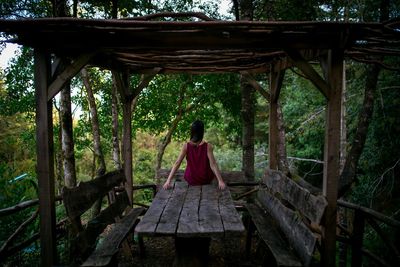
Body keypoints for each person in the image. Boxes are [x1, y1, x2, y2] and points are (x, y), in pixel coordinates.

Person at [163, 120, 226, 190]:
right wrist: (220, 181)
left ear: (192, 131)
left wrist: (168, 180)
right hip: (205, 179)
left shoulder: (186, 146)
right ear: (202, 132)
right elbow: (213, 164)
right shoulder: (208, 146)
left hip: (191, 179)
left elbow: (177, 163)